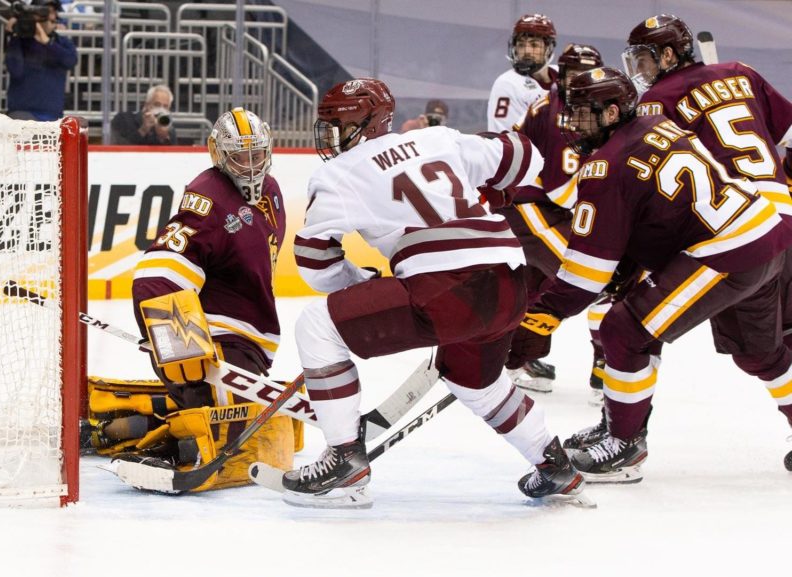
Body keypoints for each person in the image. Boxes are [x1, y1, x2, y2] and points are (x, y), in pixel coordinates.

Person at [276, 77, 588, 509]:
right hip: (511, 281)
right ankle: (553, 463)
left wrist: (356, 282)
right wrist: (492, 194)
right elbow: (522, 156)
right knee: (475, 381)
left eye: (337, 123)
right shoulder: (438, 138)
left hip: (446, 290)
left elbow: (313, 260)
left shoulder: (337, 173)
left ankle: (344, 457)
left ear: (364, 122)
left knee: (317, 326)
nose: (329, 135)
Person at [510, 67, 792, 483]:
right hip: (768, 233)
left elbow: (586, 275)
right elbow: (664, 211)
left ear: (610, 113)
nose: (571, 125)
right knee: (759, 352)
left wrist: (541, 316)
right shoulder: (656, 122)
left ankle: (624, 443)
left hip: (727, 253)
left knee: (623, 329)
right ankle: (619, 424)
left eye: (583, 114)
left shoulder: (605, 167)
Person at [89, 108, 293, 491]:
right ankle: (152, 433)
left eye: (256, 153)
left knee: (236, 417)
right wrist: (178, 343)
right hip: (215, 342)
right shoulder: (208, 199)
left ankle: (133, 417)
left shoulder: (273, 191)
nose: (250, 165)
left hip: (251, 339)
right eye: (239, 155)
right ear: (219, 153)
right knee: (224, 422)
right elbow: (155, 275)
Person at [500, 43, 606, 396]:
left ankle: (513, 360)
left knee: (536, 286)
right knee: (595, 277)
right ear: (563, 75)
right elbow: (563, 190)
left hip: (543, 206)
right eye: (575, 74)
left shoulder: (576, 104)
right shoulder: (562, 112)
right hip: (529, 204)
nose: (582, 81)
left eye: (588, 75)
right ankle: (609, 372)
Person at [624, 14, 792, 217]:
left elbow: (643, 177)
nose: (639, 69)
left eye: (642, 60)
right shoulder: (741, 72)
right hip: (782, 210)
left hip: (729, 218)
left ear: (667, 55)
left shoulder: (657, 99)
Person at [5, 0, 78, 121]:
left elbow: (70, 61)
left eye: (53, 14)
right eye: (44, 12)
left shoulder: (61, 42)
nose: (50, 17)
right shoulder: (20, 41)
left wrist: (47, 43)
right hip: (22, 112)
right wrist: (14, 36)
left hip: (51, 115)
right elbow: (15, 70)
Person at [487, 14, 558, 133]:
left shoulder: (564, 74)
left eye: (534, 45)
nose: (527, 51)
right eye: (521, 45)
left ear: (548, 48)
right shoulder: (508, 83)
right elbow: (506, 139)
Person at [109, 85, 178, 145]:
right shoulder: (124, 119)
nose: (161, 110)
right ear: (146, 104)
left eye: (165, 107)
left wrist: (163, 138)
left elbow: (171, 157)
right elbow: (119, 149)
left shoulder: (169, 130)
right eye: (157, 105)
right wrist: (143, 130)